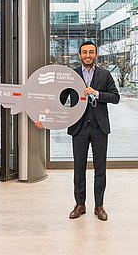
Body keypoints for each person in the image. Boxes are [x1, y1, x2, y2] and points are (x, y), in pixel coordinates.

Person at [36, 41, 119, 221]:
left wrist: (97, 93)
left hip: (100, 128)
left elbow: (115, 97)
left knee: (100, 169)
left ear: (95, 54)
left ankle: (99, 206)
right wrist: (44, 117)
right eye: (84, 52)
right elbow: (58, 99)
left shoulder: (105, 75)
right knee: (78, 169)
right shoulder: (71, 75)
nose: (87, 55)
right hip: (79, 128)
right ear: (79, 55)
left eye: (91, 52)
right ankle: (80, 204)